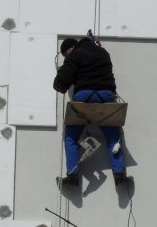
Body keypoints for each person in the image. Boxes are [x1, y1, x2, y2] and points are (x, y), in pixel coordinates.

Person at [53, 37, 130, 187]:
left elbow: (61, 82)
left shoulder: (75, 54)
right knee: (113, 136)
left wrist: (60, 82)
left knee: (70, 137)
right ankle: (120, 176)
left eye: (66, 54)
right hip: (106, 95)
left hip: (84, 96)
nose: (67, 56)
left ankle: (72, 177)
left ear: (71, 48)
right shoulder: (103, 52)